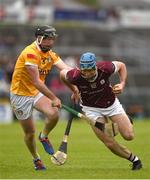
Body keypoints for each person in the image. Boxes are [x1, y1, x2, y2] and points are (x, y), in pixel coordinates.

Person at [10, 25, 77, 170]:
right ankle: (36, 159)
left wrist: (80, 82)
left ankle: (44, 136)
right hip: (20, 95)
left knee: (54, 114)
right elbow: (36, 81)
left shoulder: (50, 54)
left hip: (36, 93)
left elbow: (67, 69)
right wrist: (53, 98)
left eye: (52, 39)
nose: (51, 42)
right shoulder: (30, 53)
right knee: (29, 133)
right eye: (48, 39)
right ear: (39, 38)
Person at [60, 52, 142, 170]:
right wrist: (74, 90)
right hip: (91, 109)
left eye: (90, 70)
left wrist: (122, 83)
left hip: (111, 105)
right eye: (84, 70)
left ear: (95, 66)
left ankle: (126, 120)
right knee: (109, 142)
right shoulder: (75, 76)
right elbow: (62, 74)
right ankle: (134, 160)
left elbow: (122, 66)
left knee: (129, 136)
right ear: (80, 68)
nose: (87, 74)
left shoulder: (105, 68)